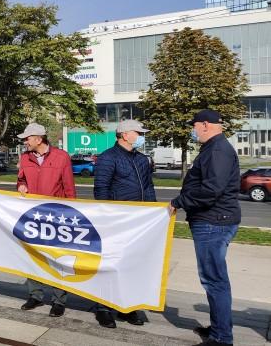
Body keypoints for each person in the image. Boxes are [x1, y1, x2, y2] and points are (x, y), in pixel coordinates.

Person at [169, 109, 241, 346]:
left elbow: (211, 190)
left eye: (195, 126)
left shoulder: (218, 150)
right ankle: (219, 328)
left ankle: (221, 338)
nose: (193, 130)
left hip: (213, 222)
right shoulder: (213, 148)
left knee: (214, 280)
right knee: (213, 279)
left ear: (205, 125)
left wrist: (178, 202)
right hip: (213, 220)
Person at [93, 119, 155, 328]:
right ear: (125, 134)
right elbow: (101, 189)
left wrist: (152, 214)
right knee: (110, 265)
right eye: (138, 133)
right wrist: (108, 218)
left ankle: (126, 307)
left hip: (138, 222)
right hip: (116, 221)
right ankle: (103, 308)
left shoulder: (142, 159)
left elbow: (148, 188)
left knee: (131, 265)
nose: (141, 136)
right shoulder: (107, 158)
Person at [16, 123, 75, 317]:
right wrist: (22, 186)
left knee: (57, 258)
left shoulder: (61, 156)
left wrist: (70, 215)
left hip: (57, 216)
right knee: (32, 256)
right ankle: (35, 295)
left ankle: (59, 300)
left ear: (38, 139)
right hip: (32, 217)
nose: (25, 141)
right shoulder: (25, 157)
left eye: (27, 138)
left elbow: (69, 188)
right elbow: (21, 180)